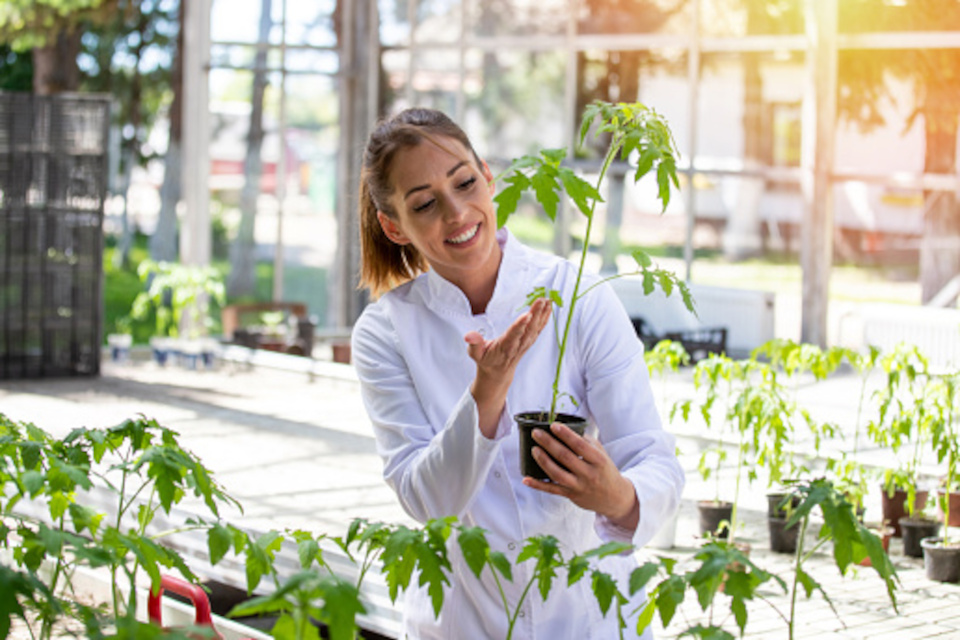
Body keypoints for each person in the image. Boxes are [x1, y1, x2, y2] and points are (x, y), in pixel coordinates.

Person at [351, 107, 684, 639]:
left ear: (488, 177)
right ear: (394, 226)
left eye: (464, 183)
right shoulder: (385, 332)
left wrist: (617, 495)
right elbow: (424, 500)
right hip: (466, 619)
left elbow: (652, 455)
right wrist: (486, 393)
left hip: (589, 617)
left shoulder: (578, 295)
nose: (457, 213)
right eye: (425, 204)